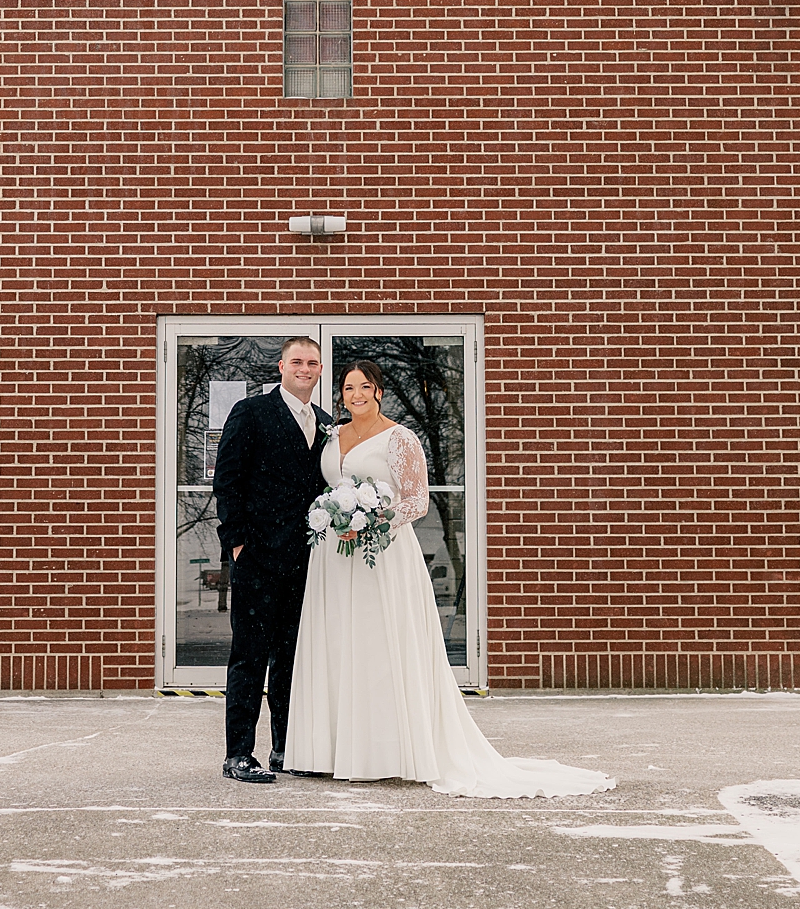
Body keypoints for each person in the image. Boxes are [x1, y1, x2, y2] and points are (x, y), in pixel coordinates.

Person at [284, 360, 613, 799]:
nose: (356, 394)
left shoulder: (400, 438)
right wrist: (333, 517)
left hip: (382, 554)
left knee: (381, 647)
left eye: (365, 387)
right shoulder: (331, 434)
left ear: (379, 391)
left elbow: (417, 501)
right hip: (333, 559)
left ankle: (386, 752)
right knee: (338, 645)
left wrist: (372, 522)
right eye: (348, 388)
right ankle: (332, 751)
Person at [211, 334, 332, 784]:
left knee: (291, 658)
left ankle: (285, 747)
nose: (305, 368)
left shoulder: (324, 422)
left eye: (313, 362)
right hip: (258, 558)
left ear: (320, 371)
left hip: (307, 561)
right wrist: (237, 542)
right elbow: (228, 480)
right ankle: (238, 753)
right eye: (297, 361)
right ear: (280, 367)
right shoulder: (251, 412)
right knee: (250, 656)